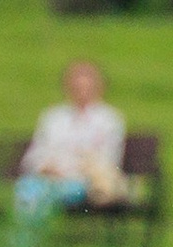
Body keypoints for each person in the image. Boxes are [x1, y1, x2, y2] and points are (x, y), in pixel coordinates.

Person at [15, 59, 133, 230]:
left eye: (87, 87)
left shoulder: (109, 120)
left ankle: (35, 238)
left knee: (45, 195)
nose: (82, 92)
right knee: (27, 189)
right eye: (77, 87)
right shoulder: (53, 118)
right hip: (47, 179)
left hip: (83, 183)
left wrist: (69, 171)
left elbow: (108, 159)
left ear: (99, 88)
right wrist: (44, 167)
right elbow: (36, 153)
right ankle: (25, 238)